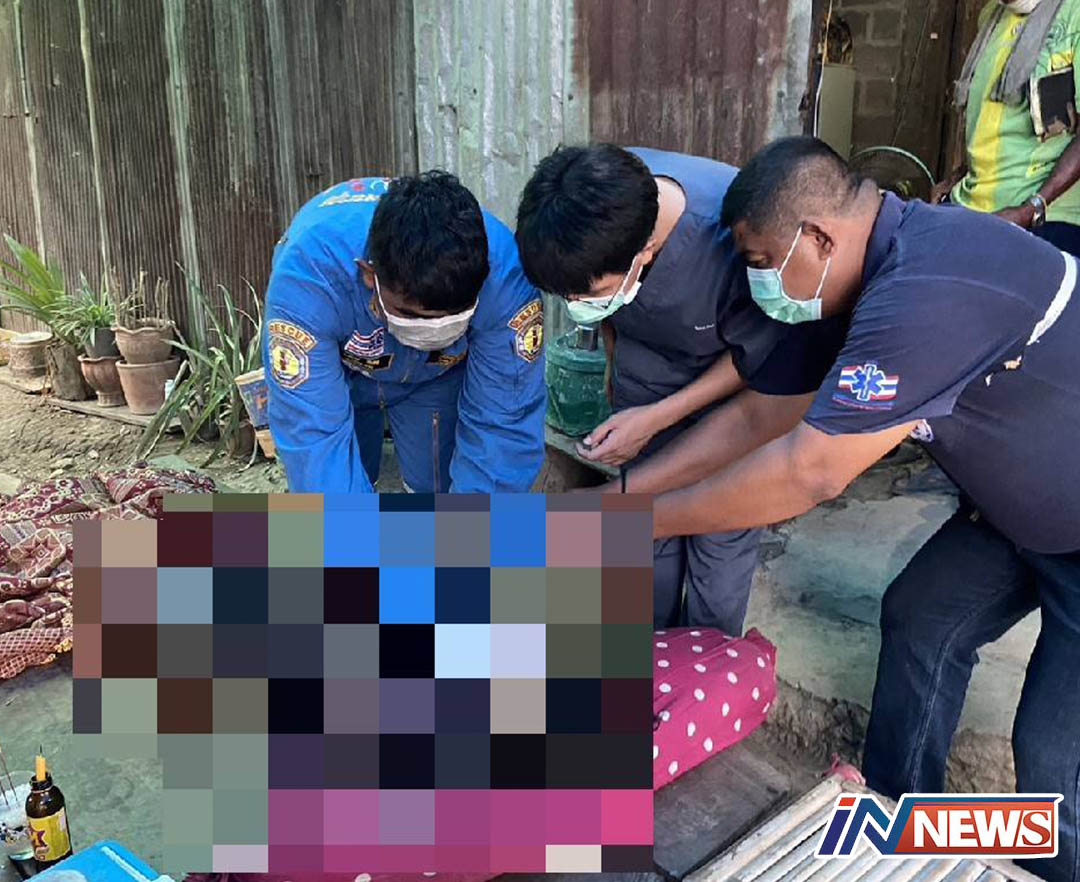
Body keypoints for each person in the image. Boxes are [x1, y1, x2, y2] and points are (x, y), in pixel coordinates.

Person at [634, 136, 1079, 882]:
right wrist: (621, 500)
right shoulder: (860, 282)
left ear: (817, 237)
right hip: (1021, 512)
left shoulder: (927, 288)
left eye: (758, 259)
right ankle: (898, 834)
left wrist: (640, 522)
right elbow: (760, 417)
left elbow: (810, 472)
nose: (757, 283)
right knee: (923, 617)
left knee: (1053, 761)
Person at [515, 144, 845, 632]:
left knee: (719, 543)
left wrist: (658, 417)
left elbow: (757, 357)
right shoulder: (590, 201)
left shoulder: (737, 234)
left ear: (645, 250)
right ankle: (650, 656)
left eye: (589, 293)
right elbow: (606, 307)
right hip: (643, 383)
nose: (576, 304)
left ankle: (708, 663)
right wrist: (613, 364)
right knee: (645, 543)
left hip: (731, 398)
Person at [263, 171, 546, 493]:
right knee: (338, 480)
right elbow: (313, 438)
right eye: (410, 314)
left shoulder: (504, 276)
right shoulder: (308, 277)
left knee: (437, 488)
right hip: (340, 375)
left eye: (456, 316)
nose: (435, 329)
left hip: (439, 375)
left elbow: (505, 420)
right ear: (369, 275)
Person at [936, 0, 1080, 254]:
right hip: (969, 206)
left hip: (1045, 218)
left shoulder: (1074, 13)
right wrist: (956, 176)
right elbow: (991, 115)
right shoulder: (991, 16)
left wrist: (1032, 208)